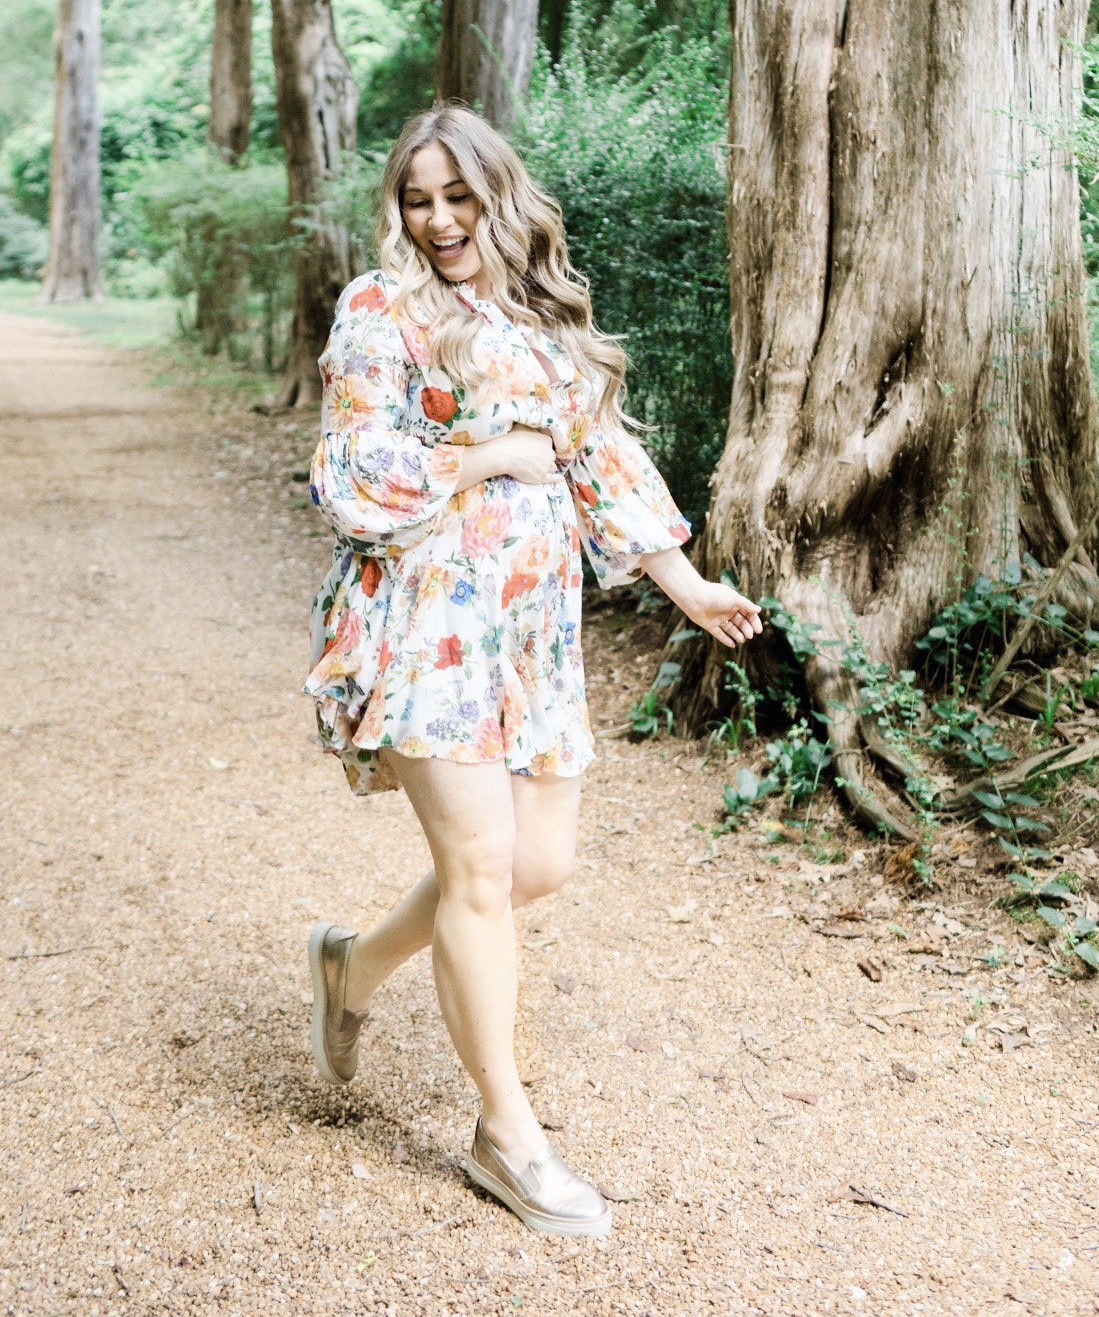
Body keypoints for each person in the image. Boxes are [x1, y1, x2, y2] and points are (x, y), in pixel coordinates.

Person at [302, 104, 760, 1238]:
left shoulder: (546, 311)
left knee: (534, 865)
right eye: (419, 197)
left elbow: (602, 454)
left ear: (500, 196)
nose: (440, 218)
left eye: (459, 195)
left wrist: (686, 583)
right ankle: (507, 1135)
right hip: (426, 614)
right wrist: (488, 456)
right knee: (478, 863)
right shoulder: (380, 309)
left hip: (531, 630)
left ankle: (351, 969)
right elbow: (350, 471)